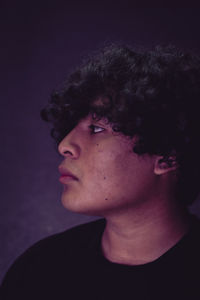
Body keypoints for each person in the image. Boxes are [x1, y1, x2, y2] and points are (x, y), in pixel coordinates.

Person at [1, 43, 200, 300]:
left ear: (167, 156)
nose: (65, 146)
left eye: (96, 128)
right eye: (72, 126)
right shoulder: (37, 271)